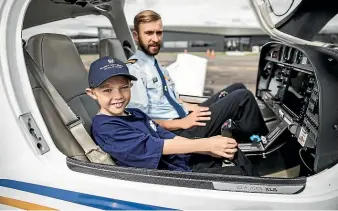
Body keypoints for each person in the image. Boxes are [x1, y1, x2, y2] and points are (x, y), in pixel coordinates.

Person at [86, 56, 258, 176]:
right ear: (92, 94)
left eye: (124, 87)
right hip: (173, 176)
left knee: (231, 151)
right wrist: (206, 143)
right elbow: (155, 146)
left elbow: (168, 136)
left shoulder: (135, 113)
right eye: (107, 90)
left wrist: (207, 148)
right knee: (241, 173)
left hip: (181, 161)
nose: (118, 96)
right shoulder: (106, 127)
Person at [126, 10, 268, 142]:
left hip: (182, 118)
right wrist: (181, 123)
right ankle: (263, 146)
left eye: (159, 33)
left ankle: (244, 139)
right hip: (174, 133)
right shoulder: (135, 70)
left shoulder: (154, 64)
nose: (155, 39)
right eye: (149, 33)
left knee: (238, 87)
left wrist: (196, 107)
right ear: (136, 36)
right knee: (243, 97)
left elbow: (172, 100)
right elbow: (140, 120)